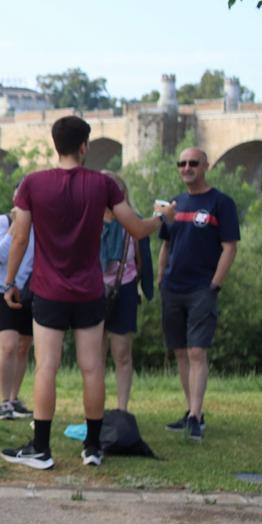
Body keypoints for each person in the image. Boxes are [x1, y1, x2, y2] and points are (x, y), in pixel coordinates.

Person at [1, 116, 170, 470]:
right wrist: (163, 219)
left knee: (46, 367)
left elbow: (19, 238)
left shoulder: (33, 184)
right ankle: (93, 448)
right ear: (84, 147)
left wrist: (12, 280)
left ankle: (42, 449)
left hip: (48, 290)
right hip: (91, 290)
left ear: (54, 144)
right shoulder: (102, 185)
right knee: (92, 368)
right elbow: (137, 229)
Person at [158, 147, 240, 441]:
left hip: (201, 289)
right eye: (182, 163)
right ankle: (192, 411)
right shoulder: (174, 204)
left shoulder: (221, 202)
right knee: (180, 352)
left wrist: (215, 284)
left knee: (196, 351)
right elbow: (165, 245)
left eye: (193, 163)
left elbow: (230, 246)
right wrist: (160, 279)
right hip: (172, 288)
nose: (187, 167)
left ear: (205, 166)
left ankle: (195, 416)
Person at [100, 173, 154, 412]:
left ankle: (122, 410)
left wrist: (148, 286)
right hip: (93, 289)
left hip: (125, 286)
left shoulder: (134, 222)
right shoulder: (89, 219)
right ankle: (95, 411)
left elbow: (144, 259)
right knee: (94, 355)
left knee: (122, 353)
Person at [0, 192, 36, 421]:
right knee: (8, 345)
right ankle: (3, 401)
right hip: (1, 290)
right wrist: (15, 227)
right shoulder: (3, 222)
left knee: (23, 347)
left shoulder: (39, 226)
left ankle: (14, 398)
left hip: (29, 291)